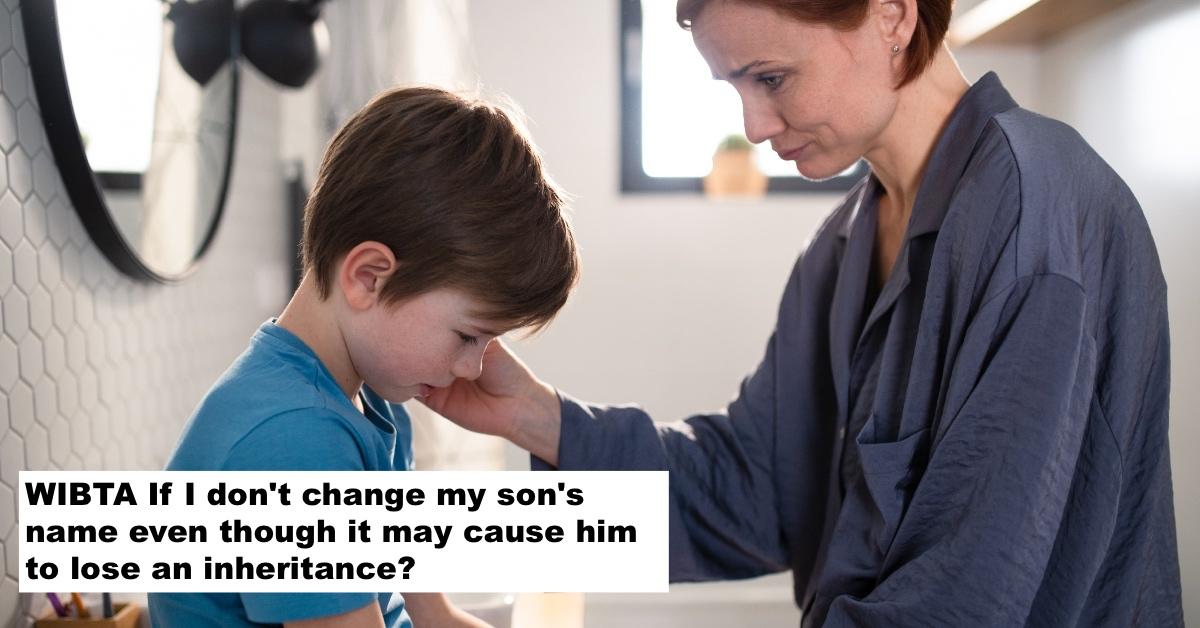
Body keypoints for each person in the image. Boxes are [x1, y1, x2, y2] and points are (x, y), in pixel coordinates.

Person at [423, 0, 1185, 625]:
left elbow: (965, 597)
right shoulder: (842, 246)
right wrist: (535, 418)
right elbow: (756, 494)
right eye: (735, 88)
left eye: (773, 78)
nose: (754, 125)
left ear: (893, 16)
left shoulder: (1035, 213)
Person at [148, 87, 579, 628]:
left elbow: (433, 616)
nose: (473, 368)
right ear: (368, 277)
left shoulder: (376, 403)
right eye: (469, 336)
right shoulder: (296, 440)